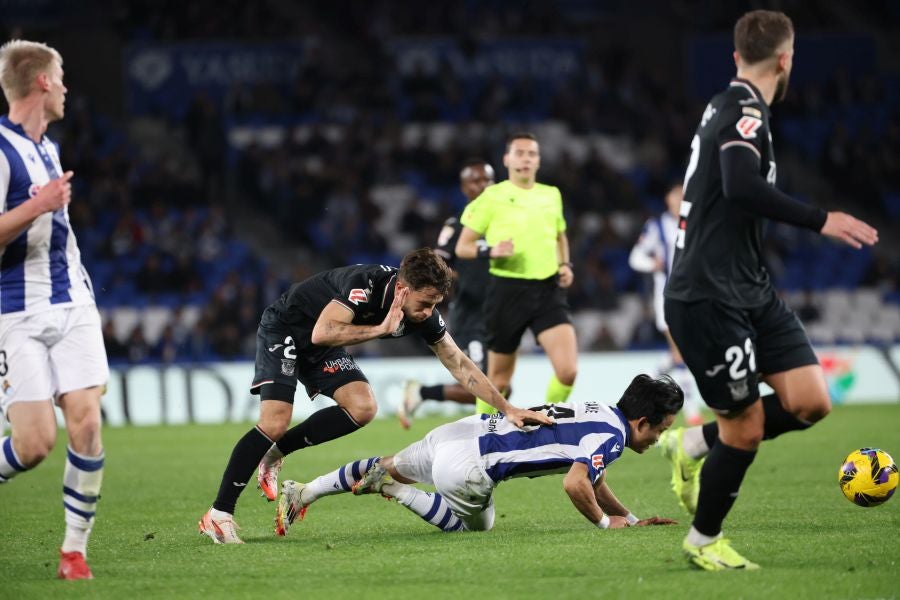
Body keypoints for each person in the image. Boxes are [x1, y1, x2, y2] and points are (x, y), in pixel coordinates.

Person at [661, 10, 878, 571]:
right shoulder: (742, 110)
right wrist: (819, 218)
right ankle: (704, 540)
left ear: (738, 56)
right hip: (706, 294)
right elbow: (738, 185)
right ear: (786, 59)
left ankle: (690, 445)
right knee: (749, 428)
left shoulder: (728, 104)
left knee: (810, 401)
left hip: (749, 287)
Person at [198, 247, 552, 544]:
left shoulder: (424, 312)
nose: (428, 312)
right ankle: (219, 513)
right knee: (275, 421)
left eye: (435, 304)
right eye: (425, 302)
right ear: (403, 287)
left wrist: (507, 408)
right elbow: (322, 331)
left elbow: (459, 363)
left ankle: (275, 453)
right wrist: (380, 328)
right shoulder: (363, 287)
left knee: (363, 406)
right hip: (289, 329)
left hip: (325, 343)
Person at [274, 374, 683, 536]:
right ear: (643, 420)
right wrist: (603, 523)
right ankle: (396, 492)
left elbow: (591, 477)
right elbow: (576, 482)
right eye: (662, 429)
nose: (659, 438)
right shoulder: (612, 438)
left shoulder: (597, 410)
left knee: (388, 464)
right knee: (474, 527)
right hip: (473, 465)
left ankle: (304, 492)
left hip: (463, 431)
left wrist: (629, 518)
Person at [0, 40, 109, 580]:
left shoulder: (47, 147)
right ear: (42, 81)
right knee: (36, 443)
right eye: (61, 76)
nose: (66, 86)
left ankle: (74, 553)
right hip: (14, 311)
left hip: (73, 302)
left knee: (87, 422)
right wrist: (36, 206)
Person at [455, 132, 577, 409]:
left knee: (568, 371)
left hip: (548, 290)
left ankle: (549, 422)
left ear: (538, 160)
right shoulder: (491, 197)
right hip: (507, 291)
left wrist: (565, 265)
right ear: (507, 159)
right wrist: (492, 250)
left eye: (531, 154)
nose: (526, 159)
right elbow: (463, 247)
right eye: (519, 153)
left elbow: (560, 235)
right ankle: (483, 435)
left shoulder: (551, 195)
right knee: (499, 381)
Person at [398, 158, 511, 428]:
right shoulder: (459, 224)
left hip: (500, 315)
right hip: (472, 316)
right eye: (476, 180)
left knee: (503, 388)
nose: (483, 185)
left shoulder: (505, 222)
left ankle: (421, 393)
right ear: (464, 188)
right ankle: (485, 442)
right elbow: (439, 265)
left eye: (487, 179)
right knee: (488, 384)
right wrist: (460, 276)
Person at [628, 183, 703, 425]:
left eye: (684, 195)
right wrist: (653, 264)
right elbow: (636, 257)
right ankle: (691, 409)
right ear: (667, 199)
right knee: (681, 351)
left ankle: (646, 382)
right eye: (676, 195)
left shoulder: (696, 224)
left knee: (682, 352)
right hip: (668, 297)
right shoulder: (656, 226)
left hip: (694, 296)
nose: (680, 199)